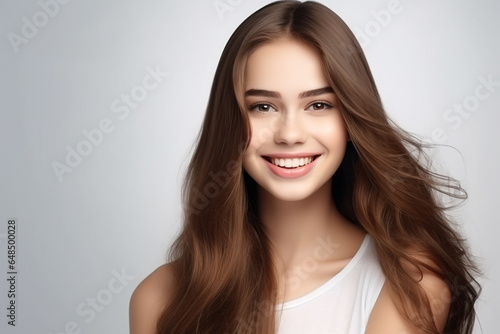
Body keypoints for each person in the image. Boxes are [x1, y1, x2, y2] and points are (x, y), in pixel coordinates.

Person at [129, 1, 480, 333]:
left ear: (351, 119)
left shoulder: (410, 285)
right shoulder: (159, 299)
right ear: (230, 123)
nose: (290, 134)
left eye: (319, 105)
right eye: (263, 107)